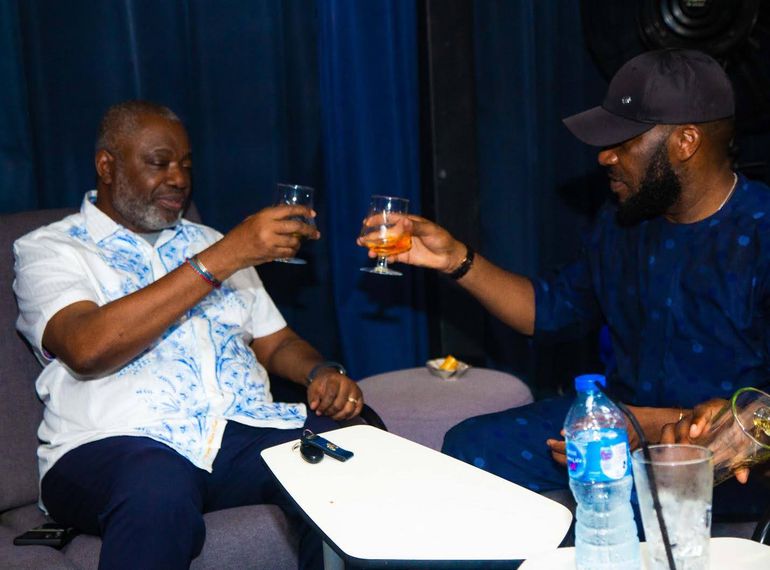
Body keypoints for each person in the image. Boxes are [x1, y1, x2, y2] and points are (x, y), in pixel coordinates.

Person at [363, 49, 770, 513]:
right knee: (470, 448)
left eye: (623, 140)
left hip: (724, 457)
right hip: (619, 426)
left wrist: (654, 426)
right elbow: (549, 310)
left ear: (686, 141)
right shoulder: (623, 220)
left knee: (617, 517)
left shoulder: (760, 233)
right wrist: (455, 259)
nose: (605, 155)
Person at [13, 100, 364, 570]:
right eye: (160, 163)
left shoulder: (209, 240)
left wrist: (321, 371)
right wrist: (225, 257)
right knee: (156, 489)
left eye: (185, 164)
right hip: (115, 443)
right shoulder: (51, 249)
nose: (179, 178)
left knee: (357, 453)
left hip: (240, 434)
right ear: (107, 166)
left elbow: (277, 343)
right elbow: (86, 348)